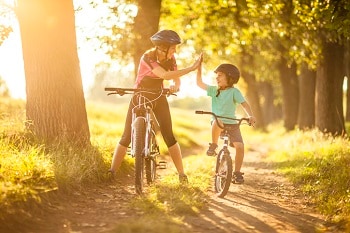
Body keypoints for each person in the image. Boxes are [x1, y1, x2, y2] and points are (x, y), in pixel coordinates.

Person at [109, 29, 202, 183]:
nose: (174, 51)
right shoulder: (148, 57)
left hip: (159, 96)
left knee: (169, 136)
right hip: (140, 96)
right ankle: (111, 172)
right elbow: (164, 75)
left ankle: (181, 174)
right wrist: (191, 68)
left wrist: (175, 86)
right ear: (162, 48)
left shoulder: (171, 59)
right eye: (172, 48)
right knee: (126, 136)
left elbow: (175, 78)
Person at [196, 57, 256, 184]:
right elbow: (199, 83)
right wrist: (198, 67)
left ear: (230, 78)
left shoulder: (234, 91)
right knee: (218, 121)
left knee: (240, 146)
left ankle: (237, 173)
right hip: (218, 123)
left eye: (220, 75)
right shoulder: (214, 90)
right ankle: (213, 145)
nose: (217, 78)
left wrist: (250, 115)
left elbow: (244, 104)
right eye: (216, 76)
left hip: (232, 124)